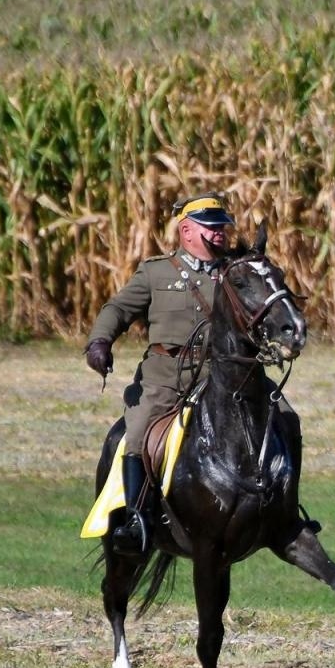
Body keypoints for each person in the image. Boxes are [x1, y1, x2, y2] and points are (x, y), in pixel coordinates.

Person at [84, 192, 237, 555]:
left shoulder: (237, 270)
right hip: (167, 375)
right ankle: (136, 521)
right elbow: (119, 308)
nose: (220, 234)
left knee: (281, 417)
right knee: (137, 434)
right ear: (186, 231)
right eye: (211, 228)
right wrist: (99, 342)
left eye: (223, 228)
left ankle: (284, 511)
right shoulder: (157, 272)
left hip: (223, 373)